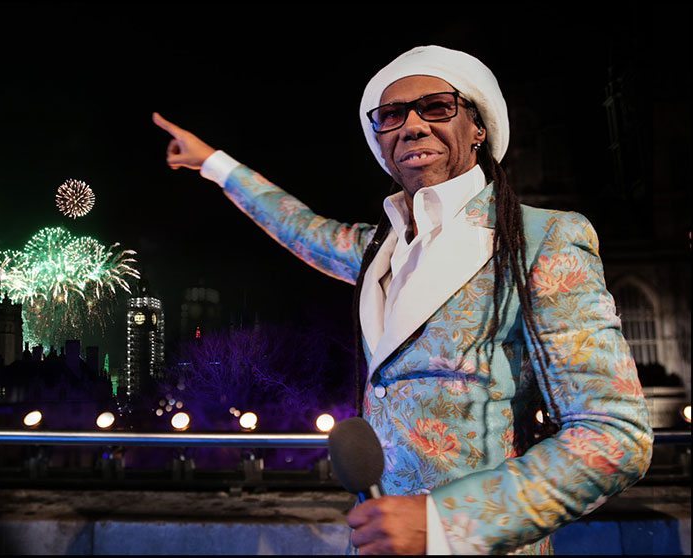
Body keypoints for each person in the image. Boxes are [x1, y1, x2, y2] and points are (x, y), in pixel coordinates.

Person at [154, 45, 652, 555]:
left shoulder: (543, 238)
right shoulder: (378, 250)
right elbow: (299, 226)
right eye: (392, 116)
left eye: (436, 107)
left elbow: (614, 436)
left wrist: (446, 524)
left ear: (478, 128)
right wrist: (213, 164)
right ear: (379, 139)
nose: (412, 126)